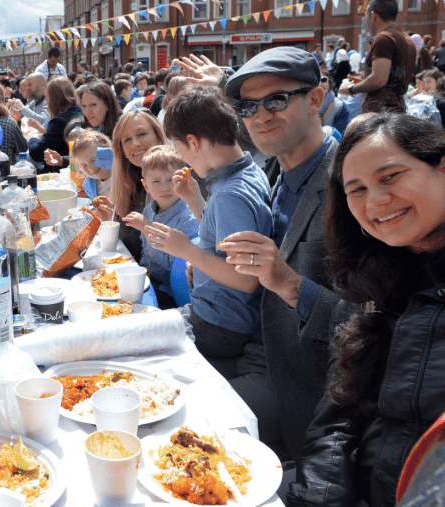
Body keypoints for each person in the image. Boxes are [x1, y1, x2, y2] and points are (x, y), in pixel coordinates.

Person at [288, 113, 445, 507]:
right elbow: (340, 414)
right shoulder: (371, 282)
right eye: (356, 190)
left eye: (390, 176)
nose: (375, 201)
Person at [217, 46, 344, 464]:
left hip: (304, 387)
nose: (260, 116)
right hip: (250, 349)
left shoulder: (351, 187)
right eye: (248, 107)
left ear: (315, 98)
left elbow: (377, 324)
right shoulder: (271, 169)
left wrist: (291, 285)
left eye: (276, 100)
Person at [146, 87, 272, 441]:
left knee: (146, 356)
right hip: (222, 318)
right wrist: (196, 201)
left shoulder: (230, 195)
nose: (182, 160)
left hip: (220, 325)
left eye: (179, 149)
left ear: (194, 142)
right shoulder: (243, 175)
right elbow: (224, 242)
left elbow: (246, 278)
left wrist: (188, 251)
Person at [124, 145, 199, 309]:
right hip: (153, 282)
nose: (164, 187)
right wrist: (144, 265)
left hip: (176, 295)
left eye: (171, 179)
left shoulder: (188, 218)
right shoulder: (148, 211)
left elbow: (176, 265)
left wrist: (148, 228)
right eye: (156, 181)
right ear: (146, 186)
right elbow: (145, 247)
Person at [92, 109, 167, 262]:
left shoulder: (175, 178)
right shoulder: (128, 182)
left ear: (159, 137)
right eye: (127, 140)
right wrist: (111, 221)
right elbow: (127, 245)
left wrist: (147, 228)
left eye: (142, 134)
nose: (135, 144)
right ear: (123, 151)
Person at [340, 0, 416, 112]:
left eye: (365, 14)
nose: (365, 19)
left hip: (380, 111)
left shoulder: (384, 38)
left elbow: (378, 79)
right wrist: (364, 79)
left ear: (373, 15)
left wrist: (350, 89)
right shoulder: (407, 39)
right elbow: (392, 73)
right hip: (397, 108)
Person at [27, 77, 82, 166]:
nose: (45, 100)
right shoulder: (79, 111)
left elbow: (37, 153)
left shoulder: (59, 121)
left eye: (47, 97)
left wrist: (33, 138)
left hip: (60, 171)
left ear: (53, 99)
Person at [70, 130, 113, 200]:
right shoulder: (89, 186)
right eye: (84, 165)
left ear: (107, 151)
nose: (91, 168)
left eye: (94, 160)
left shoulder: (124, 174)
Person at [318, 70, 350, 136]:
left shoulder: (340, 106)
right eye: (316, 80)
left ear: (329, 83)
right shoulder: (304, 104)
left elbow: (339, 136)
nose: (320, 83)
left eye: (323, 80)